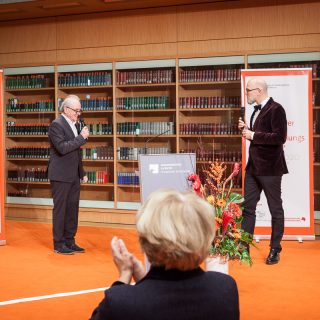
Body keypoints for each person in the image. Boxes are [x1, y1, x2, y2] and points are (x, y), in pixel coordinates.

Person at [90, 189, 239, 320]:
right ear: (205, 237)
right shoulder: (225, 288)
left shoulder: (121, 302)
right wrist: (144, 278)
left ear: (145, 241)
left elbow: (150, 302)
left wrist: (124, 276)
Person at [238, 78, 288, 265]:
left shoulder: (276, 109)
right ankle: (244, 247)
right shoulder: (255, 111)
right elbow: (259, 137)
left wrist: (253, 135)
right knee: (248, 208)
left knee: (275, 209)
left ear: (258, 91)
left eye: (249, 90)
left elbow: (279, 137)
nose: (247, 94)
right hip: (253, 168)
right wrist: (247, 130)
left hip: (270, 169)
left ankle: (275, 249)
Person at [48, 95, 89, 255]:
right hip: (60, 174)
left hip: (73, 174)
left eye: (79, 110)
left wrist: (82, 172)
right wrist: (81, 138)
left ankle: (70, 241)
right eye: (76, 110)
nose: (78, 113)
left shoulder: (74, 124)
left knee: (72, 208)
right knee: (61, 209)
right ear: (66, 109)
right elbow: (63, 148)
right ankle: (59, 244)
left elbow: (76, 151)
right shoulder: (56, 125)